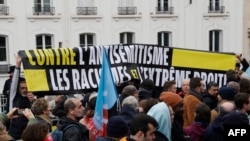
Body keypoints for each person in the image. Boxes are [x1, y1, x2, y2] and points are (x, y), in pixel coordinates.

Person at [8, 55, 33, 140]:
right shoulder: (14, 97)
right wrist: (18, 66)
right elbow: (14, 82)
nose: (25, 90)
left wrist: (33, 101)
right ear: (18, 89)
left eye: (26, 88)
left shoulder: (31, 98)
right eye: (22, 88)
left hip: (27, 133)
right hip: (14, 134)